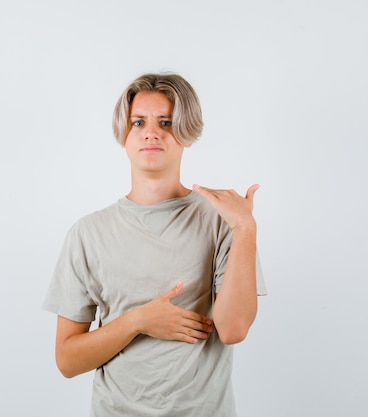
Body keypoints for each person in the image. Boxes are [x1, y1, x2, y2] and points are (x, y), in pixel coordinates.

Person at [42, 72, 267, 417]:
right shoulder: (87, 233)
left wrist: (246, 228)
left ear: (187, 133)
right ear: (124, 135)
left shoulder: (223, 220)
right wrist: (138, 321)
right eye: (138, 122)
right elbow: (68, 360)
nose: (151, 132)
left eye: (166, 122)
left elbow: (234, 329)